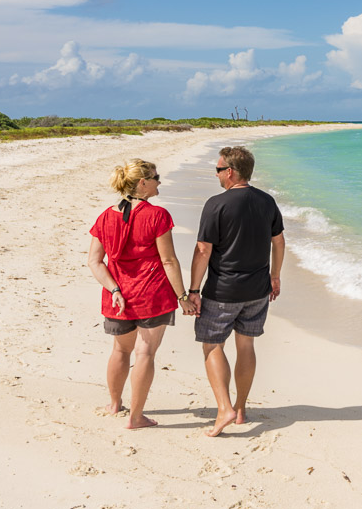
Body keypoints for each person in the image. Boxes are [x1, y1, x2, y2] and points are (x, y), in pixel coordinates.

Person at [187, 145, 284, 437]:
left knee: (212, 344)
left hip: (223, 291)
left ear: (230, 172)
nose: (216, 174)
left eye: (218, 169)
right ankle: (241, 410)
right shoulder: (267, 201)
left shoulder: (216, 204)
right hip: (257, 290)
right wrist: (275, 275)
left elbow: (204, 250)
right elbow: (278, 242)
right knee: (246, 346)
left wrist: (193, 289)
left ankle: (224, 408)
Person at [87, 158, 189, 430]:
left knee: (120, 351)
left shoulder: (105, 216)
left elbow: (95, 262)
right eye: (156, 177)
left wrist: (114, 290)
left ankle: (114, 404)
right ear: (142, 183)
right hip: (152, 295)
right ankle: (136, 416)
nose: (159, 182)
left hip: (118, 298)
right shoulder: (157, 215)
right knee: (145, 354)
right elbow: (169, 261)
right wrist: (183, 296)